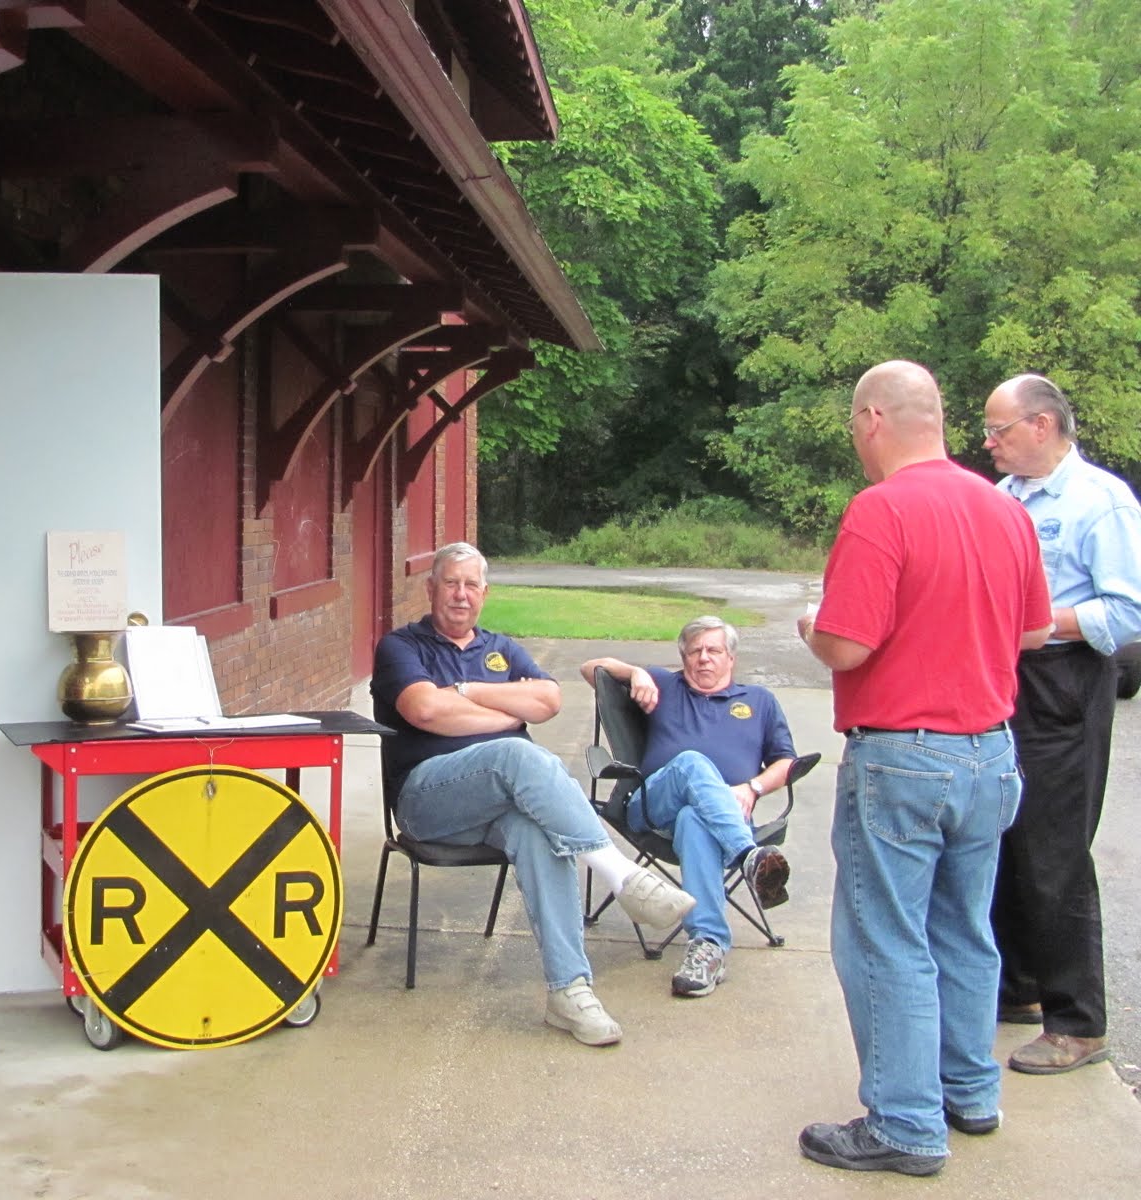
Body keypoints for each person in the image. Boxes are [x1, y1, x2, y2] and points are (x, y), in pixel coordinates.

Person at [797, 361, 1051, 1176]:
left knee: (885, 937)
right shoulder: (1003, 508)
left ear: (873, 419)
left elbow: (847, 645)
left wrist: (811, 625)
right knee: (963, 930)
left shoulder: (881, 511)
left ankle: (905, 1123)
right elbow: (1035, 631)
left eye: (852, 426)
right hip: (991, 753)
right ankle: (968, 1091)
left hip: (904, 756)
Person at [372, 543, 696, 1045]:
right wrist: (506, 711)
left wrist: (465, 692)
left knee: (540, 834)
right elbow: (424, 711)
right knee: (517, 754)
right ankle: (621, 875)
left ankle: (569, 992)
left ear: (485, 593)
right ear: (430, 588)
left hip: (502, 805)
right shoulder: (401, 647)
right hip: (427, 800)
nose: (461, 595)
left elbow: (547, 701)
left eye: (471, 586)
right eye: (451, 583)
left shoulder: (502, 647)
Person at [983, 374, 1141, 1075]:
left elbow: (1128, 612)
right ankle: (1019, 989)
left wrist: (1040, 626)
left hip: (1066, 679)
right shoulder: (1001, 499)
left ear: (1043, 426)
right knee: (1006, 835)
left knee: (1055, 850)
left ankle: (1078, 1022)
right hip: (1006, 679)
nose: (988, 442)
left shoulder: (1099, 502)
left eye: (1000, 430)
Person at [578, 617, 797, 998]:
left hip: (716, 816)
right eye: (694, 651)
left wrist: (753, 787)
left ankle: (708, 947)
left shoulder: (759, 701)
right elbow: (589, 668)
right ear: (683, 657)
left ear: (731, 658)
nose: (703, 659)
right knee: (692, 763)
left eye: (713, 650)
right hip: (651, 807)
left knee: (695, 819)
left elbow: (786, 762)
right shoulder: (664, 684)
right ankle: (748, 855)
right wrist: (635, 673)